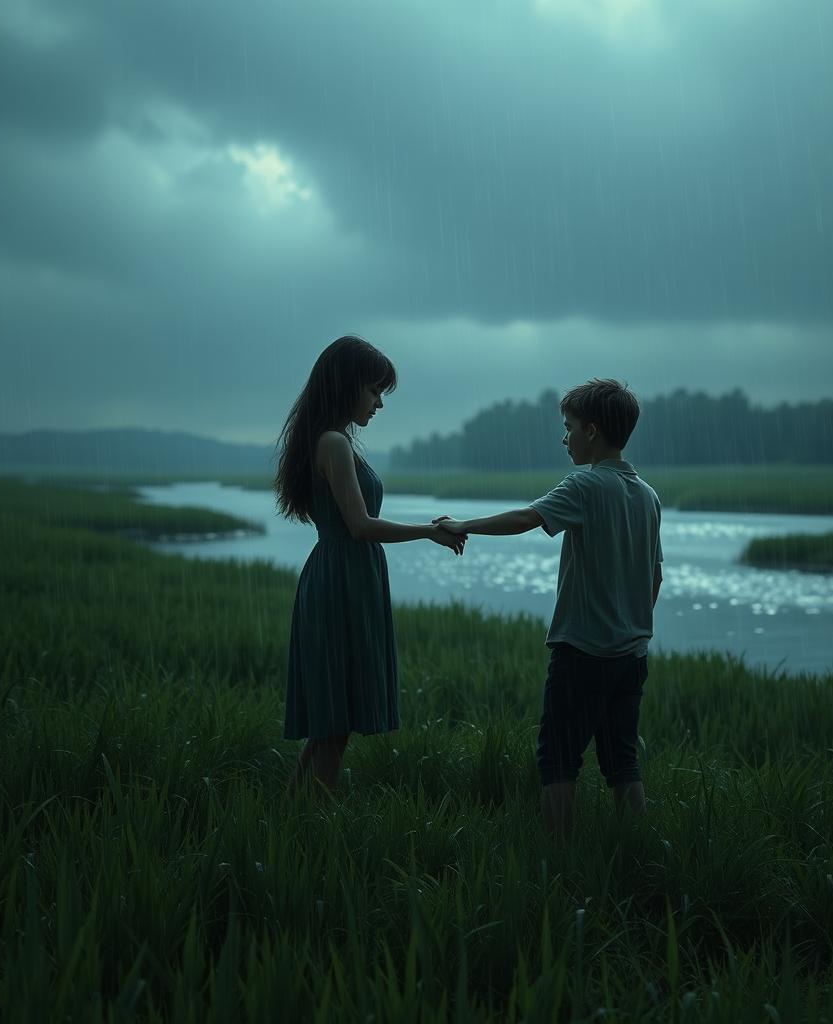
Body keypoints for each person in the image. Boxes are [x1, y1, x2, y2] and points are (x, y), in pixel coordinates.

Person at [436, 378, 662, 840]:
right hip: (632, 655)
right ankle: (640, 852)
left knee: (558, 755)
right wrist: (629, 625)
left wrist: (462, 524)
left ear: (593, 431)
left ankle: (559, 857)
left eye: (569, 427)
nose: (565, 438)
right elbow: (654, 576)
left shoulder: (585, 485)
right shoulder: (647, 495)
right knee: (622, 758)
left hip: (582, 650)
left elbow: (526, 519)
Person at [275, 336, 467, 796]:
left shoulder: (335, 441)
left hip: (347, 578)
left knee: (333, 710)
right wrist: (427, 531)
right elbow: (359, 526)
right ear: (348, 386)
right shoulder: (334, 444)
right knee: (333, 711)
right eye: (374, 390)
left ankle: (291, 808)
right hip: (339, 579)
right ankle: (321, 821)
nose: (380, 403)